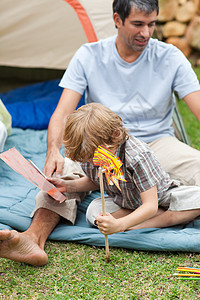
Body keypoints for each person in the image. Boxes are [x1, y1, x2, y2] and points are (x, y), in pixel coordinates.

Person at [43, 0, 200, 187]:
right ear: (117, 19)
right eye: (138, 24)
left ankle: (157, 213)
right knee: (55, 182)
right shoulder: (88, 55)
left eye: (151, 24)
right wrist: (53, 152)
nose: (146, 33)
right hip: (100, 146)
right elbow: (62, 114)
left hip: (156, 143)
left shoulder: (171, 57)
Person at [57, 103, 200, 234]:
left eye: (93, 156)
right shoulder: (88, 156)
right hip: (125, 203)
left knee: (196, 199)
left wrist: (120, 225)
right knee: (93, 213)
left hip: (160, 198)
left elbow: (151, 204)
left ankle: (145, 223)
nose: (92, 162)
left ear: (115, 136)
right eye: (87, 159)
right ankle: (142, 218)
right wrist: (67, 186)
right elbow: (95, 181)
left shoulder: (136, 156)